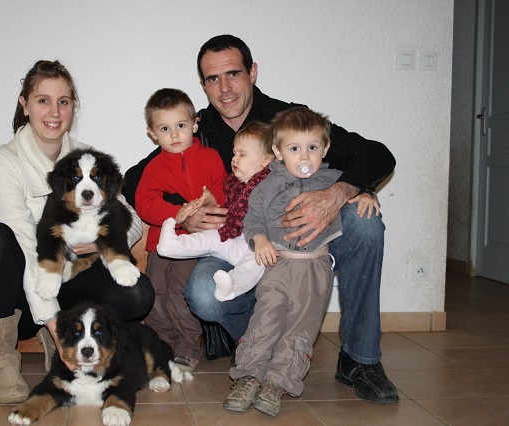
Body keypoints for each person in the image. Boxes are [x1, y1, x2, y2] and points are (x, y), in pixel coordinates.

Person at [123, 34, 398, 403]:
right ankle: (257, 345)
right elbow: (135, 180)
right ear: (203, 85)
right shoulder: (196, 130)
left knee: (365, 225)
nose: (225, 88)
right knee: (204, 293)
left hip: (299, 241)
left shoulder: (288, 118)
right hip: (238, 243)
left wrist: (340, 192)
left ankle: (360, 360)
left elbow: (376, 154)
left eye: (233, 74)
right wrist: (186, 212)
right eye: (213, 78)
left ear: (252, 72)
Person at [0, 60, 154, 404]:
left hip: (68, 281)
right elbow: (29, 248)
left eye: (64, 101)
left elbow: (130, 218)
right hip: (17, 293)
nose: (54, 111)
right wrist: (53, 324)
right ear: (25, 104)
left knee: (138, 293)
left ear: (73, 107)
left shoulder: (88, 159)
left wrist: (102, 242)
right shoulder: (3, 162)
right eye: (43, 100)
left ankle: (69, 333)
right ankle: (3, 359)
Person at [223, 107, 379, 416]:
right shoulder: (267, 185)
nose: (304, 156)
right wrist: (260, 239)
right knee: (265, 320)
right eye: (294, 149)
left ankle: (278, 382)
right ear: (278, 152)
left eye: (312, 148)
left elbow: (355, 188)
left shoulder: (334, 181)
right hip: (277, 267)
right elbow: (252, 219)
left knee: (300, 328)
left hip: (315, 270)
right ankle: (248, 376)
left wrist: (365, 193)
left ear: (325, 149)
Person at [135, 88, 227, 371]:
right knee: (155, 294)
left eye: (181, 126)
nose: (174, 135)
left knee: (179, 294)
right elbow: (144, 204)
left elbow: (224, 192)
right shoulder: (154, 167)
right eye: (165, 128)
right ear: (152, 133)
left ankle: (187, 347)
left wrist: (213, 198)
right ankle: (160, 345)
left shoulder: (211, 158)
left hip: (193, 244)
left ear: (195, 124)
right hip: (160, 245)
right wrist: (175, 214)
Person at [156, 121, 274, 301]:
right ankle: (173, 246)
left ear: (265, 160)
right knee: (210, 237)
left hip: (258, 243)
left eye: (242, 154)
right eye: (234, 153)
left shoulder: (271, 184)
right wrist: (213, 200)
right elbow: (225, 205)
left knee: (256, 261)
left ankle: (232, 286)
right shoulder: (233, 183)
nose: (234, 159)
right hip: (234, 239)